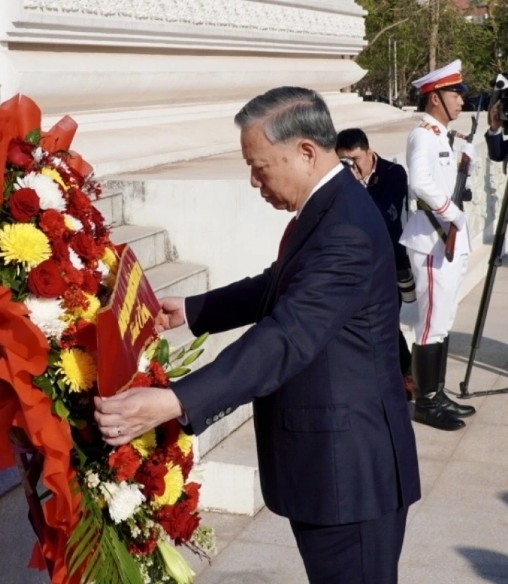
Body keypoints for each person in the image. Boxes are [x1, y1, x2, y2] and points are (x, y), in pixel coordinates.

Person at [94, 86, 420, 584]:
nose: (252, 180)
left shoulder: (345, 228)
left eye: (260, 166)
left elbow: (287, 335)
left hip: (349, 476)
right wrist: (197, 309)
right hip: (334, 466)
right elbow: (281, 282)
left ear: (306, 152)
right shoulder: (331, 205)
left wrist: (175, 400)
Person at [400, 59, 477, 431]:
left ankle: (438, 391)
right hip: (431, 242)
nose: (461, 100)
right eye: (454, 93)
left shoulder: (443, 136)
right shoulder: (423, 135)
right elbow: (418, 182)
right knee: (430, 325)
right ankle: (426, 403)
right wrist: (452, 214)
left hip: (447, 241)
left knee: (443, 322)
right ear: (434, 98)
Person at [336, 128, 414, 397]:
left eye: (355, 159)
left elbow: (384, 218)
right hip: (355, 266)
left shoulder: (393, 174)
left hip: (390, 262)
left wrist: (355, 187)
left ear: (369, 152)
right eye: (343, 161)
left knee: (388, 323)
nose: (351, 167)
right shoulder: (340, 181)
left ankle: (405, 373)